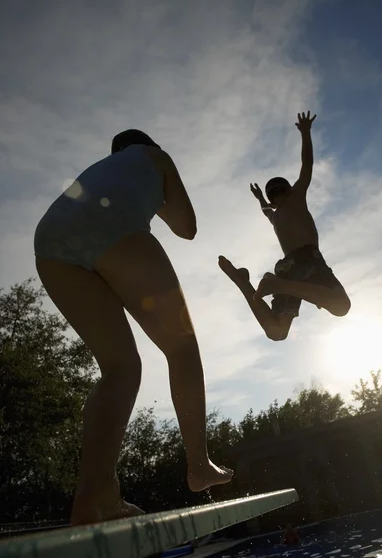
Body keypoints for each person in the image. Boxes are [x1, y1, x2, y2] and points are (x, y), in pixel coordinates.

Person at [34, 129, 233, 525]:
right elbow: (186, 227)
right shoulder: (155, 156)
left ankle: (95, 497)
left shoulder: (103, 167)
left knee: (120, 367)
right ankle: (199, 465)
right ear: (148, 145)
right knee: (181, 348)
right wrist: (157, 196)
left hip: (50, 238)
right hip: (112, 224)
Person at [219, 112, 350, 341]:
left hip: (286, 267)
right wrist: (306, 133)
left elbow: (266, 211)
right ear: (289, 190)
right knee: (341, 306)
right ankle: (279, 285)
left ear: (272, 200)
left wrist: (260, 198)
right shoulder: (296, 198)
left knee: (276, 331)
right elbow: (307, 165)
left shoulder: (275, 216)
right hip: (308, 260)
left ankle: (243, 283)